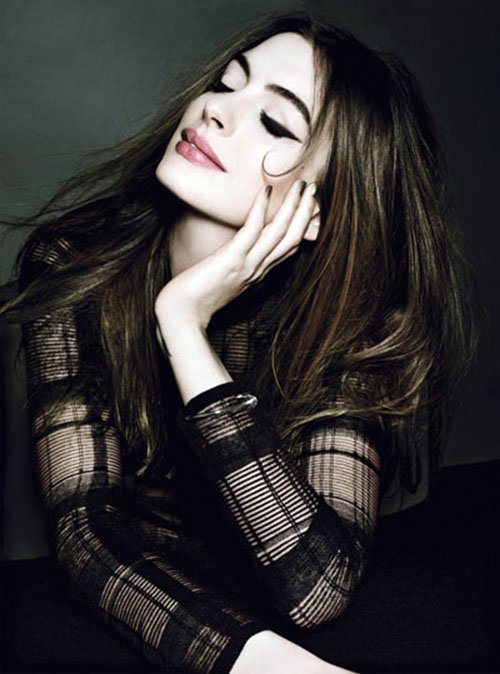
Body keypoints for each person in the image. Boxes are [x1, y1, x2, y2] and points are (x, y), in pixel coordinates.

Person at [0, 10, 477, 674]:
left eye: (275, 123)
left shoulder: (350, 317)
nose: (215, 111)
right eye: (227, 83)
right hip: (147, 600)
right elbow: (87, 534)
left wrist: (184, 329)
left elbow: (318, 587)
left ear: (320, 211)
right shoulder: (75, 260)